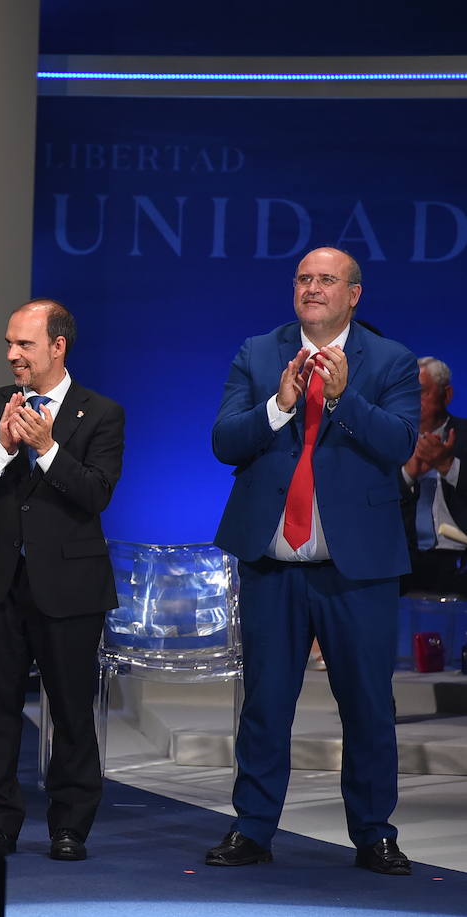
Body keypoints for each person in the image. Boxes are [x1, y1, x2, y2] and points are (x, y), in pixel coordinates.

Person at [208, 247, 419, 875]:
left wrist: (346, 400)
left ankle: (375, 832)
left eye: (327, 280)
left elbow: (400, 444)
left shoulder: (391, 360)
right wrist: (279, 406)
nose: (313, 287)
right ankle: (252, 829)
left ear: (355, 294)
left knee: (367, 705)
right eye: (304, 278)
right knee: (267, 704)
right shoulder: (258, 352)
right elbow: (225, 442)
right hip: (272, 564)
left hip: (356, 569)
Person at [0, 298, 124, 862]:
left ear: (57, 346)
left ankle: (70, 826)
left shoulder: (101, 413)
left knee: (72, 711)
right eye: (9, 343)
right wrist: (2, 447)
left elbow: (96, 493)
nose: (12, 355)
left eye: (24, 344)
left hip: (69, 588)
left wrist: (46, 449)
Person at [399, 357, 467, 595]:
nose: (412, 402)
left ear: (446, 395)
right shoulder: (391, 439)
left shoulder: (465, 436)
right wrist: (407, 475)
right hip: (404, 561)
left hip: (458, 557)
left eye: (421, 392)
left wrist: (447, 465)